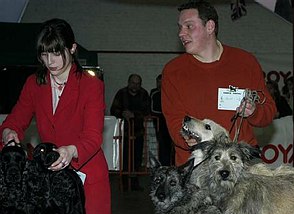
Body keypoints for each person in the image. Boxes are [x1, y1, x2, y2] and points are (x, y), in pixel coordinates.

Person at [0, 18, 112, 214]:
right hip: (47, 179)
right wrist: (9, 132)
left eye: (56, 53)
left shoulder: (92, 86)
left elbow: (93, 136)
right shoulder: (34, 83)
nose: (50, 62)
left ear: (72, 48)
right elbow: (15, 120)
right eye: (44, 55)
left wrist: (71, 150)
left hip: (86, 175)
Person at [162, 0, 276, 166]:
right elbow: (174, 120)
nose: (181, 33)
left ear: (210, 27)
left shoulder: (245, 62)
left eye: (189, 26)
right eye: (180, 27)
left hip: (241, 164)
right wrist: (186, 136)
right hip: (197, 167)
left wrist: (254, 111)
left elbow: (268, 111)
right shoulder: (173, 71)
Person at [110, 74, 150, 190]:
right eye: (133, 83)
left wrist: (134, 115)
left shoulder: (144, 94)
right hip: (124, 133)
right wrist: (122, 113)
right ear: (128, 82)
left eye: (137, 84)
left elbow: (147, 110)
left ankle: (134, 182)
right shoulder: (121, 93)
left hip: (138, 132)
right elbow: (114, 109)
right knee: (124, 157)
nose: (135, 86)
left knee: (137, 157)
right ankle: (124, 182)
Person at [150, 74, 173, 166]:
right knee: (163, 146)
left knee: (171, 146)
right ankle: (164, 166)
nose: (160, 84)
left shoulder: (170, 93)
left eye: (161, 82)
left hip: (169, 122)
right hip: (160, 123)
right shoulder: (154, 93)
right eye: (158, 82)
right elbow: (153, 109)